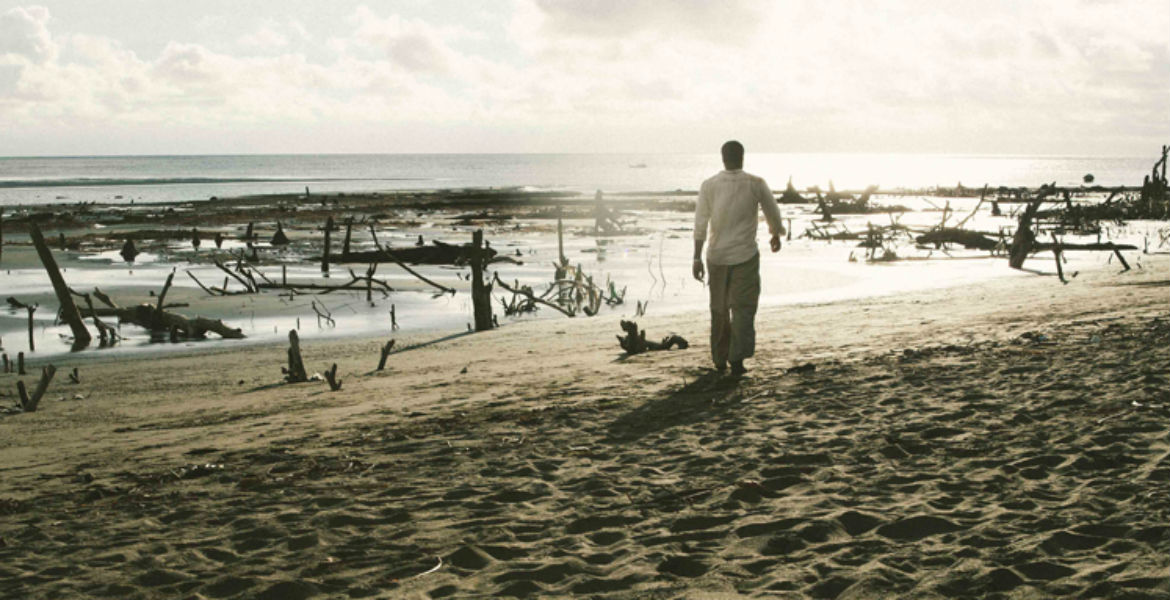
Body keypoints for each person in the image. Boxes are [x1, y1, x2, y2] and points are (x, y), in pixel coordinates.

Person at [692, 140, 784, 376]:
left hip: (717, 256)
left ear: (723, 158)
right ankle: (737, 359)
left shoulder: (709, 185)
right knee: (743, 309)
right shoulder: (755, 183)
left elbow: (700, 223)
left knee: (719, 309)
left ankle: (720, 358)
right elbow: (772, 211)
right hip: (745, 255)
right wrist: (775, 234)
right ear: (742, 156)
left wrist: (696, 257)